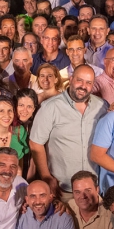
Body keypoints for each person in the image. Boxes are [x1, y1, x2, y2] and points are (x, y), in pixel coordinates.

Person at [30, 65, 107, 201]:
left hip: (94, 187)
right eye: (79, 80)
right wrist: (46, 176)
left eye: (88, 82)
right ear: (71, 80)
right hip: (63, 189)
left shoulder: (102, 106)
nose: (83, 86)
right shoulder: (50, 107)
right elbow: (35, 144)